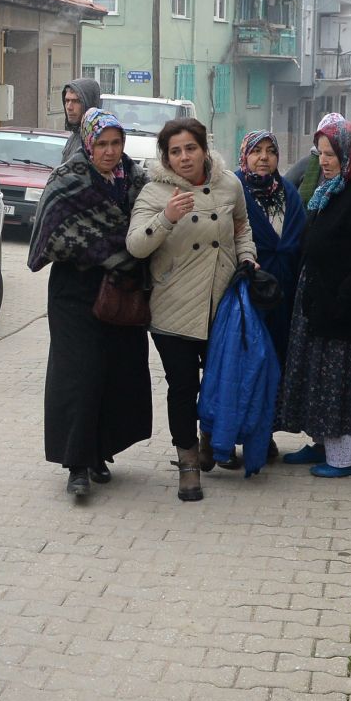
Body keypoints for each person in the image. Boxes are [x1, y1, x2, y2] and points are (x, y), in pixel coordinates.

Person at [126, 117, 256, 498]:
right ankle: (187, 464)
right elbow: (135, 245)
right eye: (175, 151)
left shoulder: (229, 184)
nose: (184, 158)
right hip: (174, 307)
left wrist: (247, 258)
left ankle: (209, 442)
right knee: (183, 387)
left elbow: (242, 226)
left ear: (204, 149)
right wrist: (166, 218)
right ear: (165, 157)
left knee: (219, 380)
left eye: (191, 149)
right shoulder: (154, 192)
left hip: (222, 305)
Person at [29, 108, 152, 497]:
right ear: (87, 143)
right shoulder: (68, 179)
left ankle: (100, 452)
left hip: (122, 290)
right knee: (79, 374)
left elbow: (147, 230)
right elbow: (53, 233)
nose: (110, 151)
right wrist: (108, 250)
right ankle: (77, 465)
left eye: (116, 143)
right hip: (75, 291)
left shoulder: (136, 180)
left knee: (115, 373)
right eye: (102, 143)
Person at [274, 117, 351, 478]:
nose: (324, 160)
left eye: (332, 154)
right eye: (321, 153)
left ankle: (347, 458)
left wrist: (342, 298)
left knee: (342, 383)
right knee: (321, 378)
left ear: (350, 152)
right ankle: (322, 442)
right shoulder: (335, 186)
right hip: (324, 300)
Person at [235, 129, 305, 368]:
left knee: (282, 355)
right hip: (249, 290)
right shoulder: (233, 189)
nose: (264, 157)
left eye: (271, 151)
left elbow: (300, 238)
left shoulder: (288, 192)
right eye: (256, 151)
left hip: (285, 290)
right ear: (244, 155)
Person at [283, 112, 345, 207]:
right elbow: (283, 188)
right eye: (320, 153)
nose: (322, 162)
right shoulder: (308, 163)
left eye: (330, 154)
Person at [58, 77, 103, 160]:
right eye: (67, 101)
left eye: (76, 101)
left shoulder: (99, 142)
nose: (69, 107)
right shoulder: (74, 137)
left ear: (89, 103)